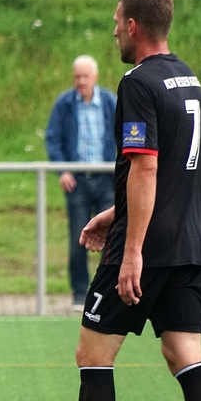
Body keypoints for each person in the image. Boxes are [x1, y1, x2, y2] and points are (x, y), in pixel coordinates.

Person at [24, 0, 201, 401]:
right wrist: (116, 212)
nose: (113, 31)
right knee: (185, 355)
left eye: (116, 22)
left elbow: (148, 166)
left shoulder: (137, 81)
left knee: (93, 355)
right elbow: (174, 170)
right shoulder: (187, 78)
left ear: (133, 26)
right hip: (189, 244)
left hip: (147, 249)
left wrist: (131, 249)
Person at [45, 55, 117, 311]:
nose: (81, 81)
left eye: (85, 76)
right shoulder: (64, 104)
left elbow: (125, 135)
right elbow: (52, 138)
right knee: (80, 238)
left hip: (107, 180)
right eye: (77, 76)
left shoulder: (110, 102)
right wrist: (63, 170)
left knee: (112, 238)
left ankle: (107, 293)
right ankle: (79, 295)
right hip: (77, 182)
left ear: (95, 77)